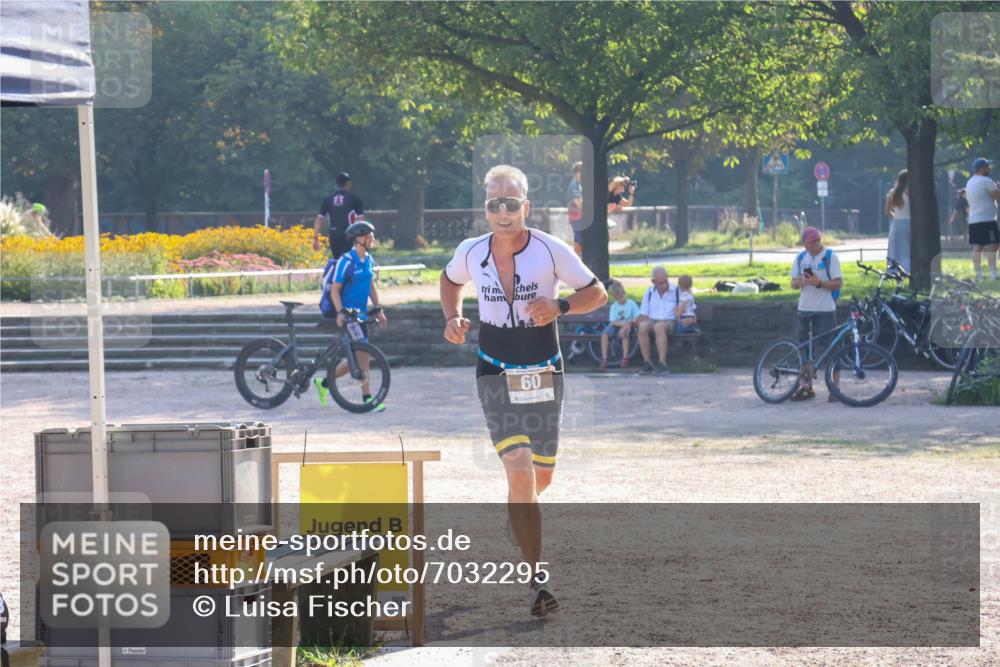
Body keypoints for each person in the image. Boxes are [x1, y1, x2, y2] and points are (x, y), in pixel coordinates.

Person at [439, 164, 606, 618]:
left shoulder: (551, 250)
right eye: (495, 204)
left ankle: (519, 513)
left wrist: (560, 304)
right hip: (493, 369)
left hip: (544, 370)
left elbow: (598, 293)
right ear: (486, 209)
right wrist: (452, 317)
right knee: (519, 468)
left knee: (540, 478)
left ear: (525, 207)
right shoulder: (471, 252)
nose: (504, 211)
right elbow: (450, 281)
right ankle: (537, 582)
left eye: (512, 203)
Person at [316, 221, 388, 411]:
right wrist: (341, 312)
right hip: (348, 316)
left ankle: (324, 384)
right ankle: (367, 399)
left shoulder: (369, 260)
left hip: (361, 315)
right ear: (359, 238)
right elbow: (335, 290)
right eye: (370, 235)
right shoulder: (347, 260)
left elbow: (370, 286)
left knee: (361, 357)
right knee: (363, 355)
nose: (373, 239)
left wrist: (379, 309)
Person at [790, 227, 843, 402]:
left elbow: (838, 283)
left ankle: (834, 389)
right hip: (805, 308)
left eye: (810, 245)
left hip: (825, 309)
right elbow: (792, 283)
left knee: (831, 349)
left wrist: (818, 283)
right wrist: (798, 283)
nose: (807, 249)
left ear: (818, 242)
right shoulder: (800, 258)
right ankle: (806, 387)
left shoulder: (830, 257)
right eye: (805, 245)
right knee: (804, 349)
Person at [636, 266, 679, 375]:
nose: (664, 285)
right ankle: (647, 363)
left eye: (665, 281)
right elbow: (644, 314)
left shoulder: (676, 290)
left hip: (670, 321)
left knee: (659, 326)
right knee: (642, 326)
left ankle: (662, 364)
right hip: (653, 320)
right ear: (653, 281)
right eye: (660, 283)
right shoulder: (649, 292)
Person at [313, 172, 365, 260]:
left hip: (333, 234)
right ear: (348, 183)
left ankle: (337, 272)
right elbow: (361, 219)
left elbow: (319, 219)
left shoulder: (328, 199)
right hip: (348, 234)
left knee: (337, 260)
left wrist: (315, 238)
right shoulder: (354, 199)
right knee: (345, 260)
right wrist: (361, 237)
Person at [965, 158, 1000, 281]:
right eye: (987, 166)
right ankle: (993, 273)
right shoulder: (986, 180)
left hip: (974, 219)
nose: (989, 168)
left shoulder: (970, 182)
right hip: (987, 220)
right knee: (994, 245)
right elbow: (996, 196)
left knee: (977, 246)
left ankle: (979, 274)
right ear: (982, 168)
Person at [599, 281, 639, 369]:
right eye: (618, 298)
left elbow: (637, 318)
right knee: (605, 334)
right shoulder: (614, 306)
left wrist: (628, 323)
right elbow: (613, 321)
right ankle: (604, 358)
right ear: (614, 298)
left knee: (624, 333)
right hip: (616, 325)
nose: (621, 299)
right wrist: (622, 323)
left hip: (628, 325)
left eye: (622, 296)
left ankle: (625, 357)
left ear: (625, 293)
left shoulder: (631, 303)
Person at [884, 169, 911, 273]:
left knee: (896, 249)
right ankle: (908, 270)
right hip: (911, 223)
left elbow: (887, 212)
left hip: (897, 223)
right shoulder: (913, 191)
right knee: (908, 249)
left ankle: (894, 271)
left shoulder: (893, 193)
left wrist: (896, 216)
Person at [567, 161, 585, 257]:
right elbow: (579, 204)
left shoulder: (580, 185)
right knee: (579, 241)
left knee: (579, 241)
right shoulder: (574, 185)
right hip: (577, 218)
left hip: (580, 218)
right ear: (577, 172)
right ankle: (576, 263)